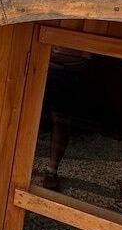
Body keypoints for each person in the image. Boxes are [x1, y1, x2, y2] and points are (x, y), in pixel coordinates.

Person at [39, 46, 91, 190]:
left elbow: (86, 53)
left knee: (61, 120)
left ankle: (52, 170)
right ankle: (18, 164)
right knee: (28, 116)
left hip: (70, 69)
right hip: (41, 59)